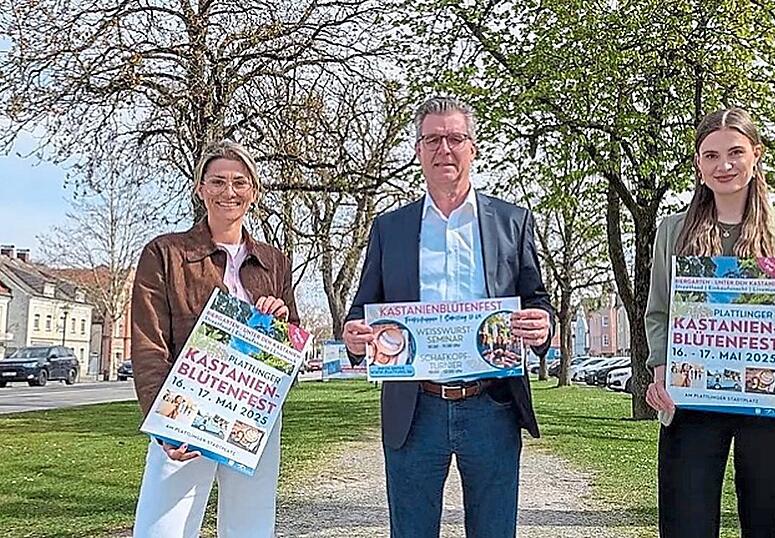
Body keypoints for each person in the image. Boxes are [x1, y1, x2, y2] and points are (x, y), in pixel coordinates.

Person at [342, 96, 555, 538]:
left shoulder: (512, 222)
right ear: (418, 151)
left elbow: (536, 299)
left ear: (473, 148)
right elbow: (363, 307)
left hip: (491, 405)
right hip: (415, 409)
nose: (445, 149)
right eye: (433, 139)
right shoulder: (389, 228)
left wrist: (541, 323)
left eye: (455, 138)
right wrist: (354, 333)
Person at [643, 108, 775, 538]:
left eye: (735, 152)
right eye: (711, 155)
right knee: (687, 520)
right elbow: (660, 312)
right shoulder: (673, 230)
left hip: (771, 396)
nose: (724, 165)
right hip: (693, 394)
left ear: (755, 155)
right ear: (699, 166)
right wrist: (661, 372)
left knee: (772, 523)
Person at [130, 141, 298, 537]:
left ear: (253, 193)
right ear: (200, 188)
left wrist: (279, 321)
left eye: (240, 182)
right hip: (184, 412)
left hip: (254, 414)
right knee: (164, 528)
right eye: (218, 181)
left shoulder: (275, 261)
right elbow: (148, 343)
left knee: (251, 527)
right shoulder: (164, 253)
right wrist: (162, 422)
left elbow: (291, 341)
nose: (229, 191)